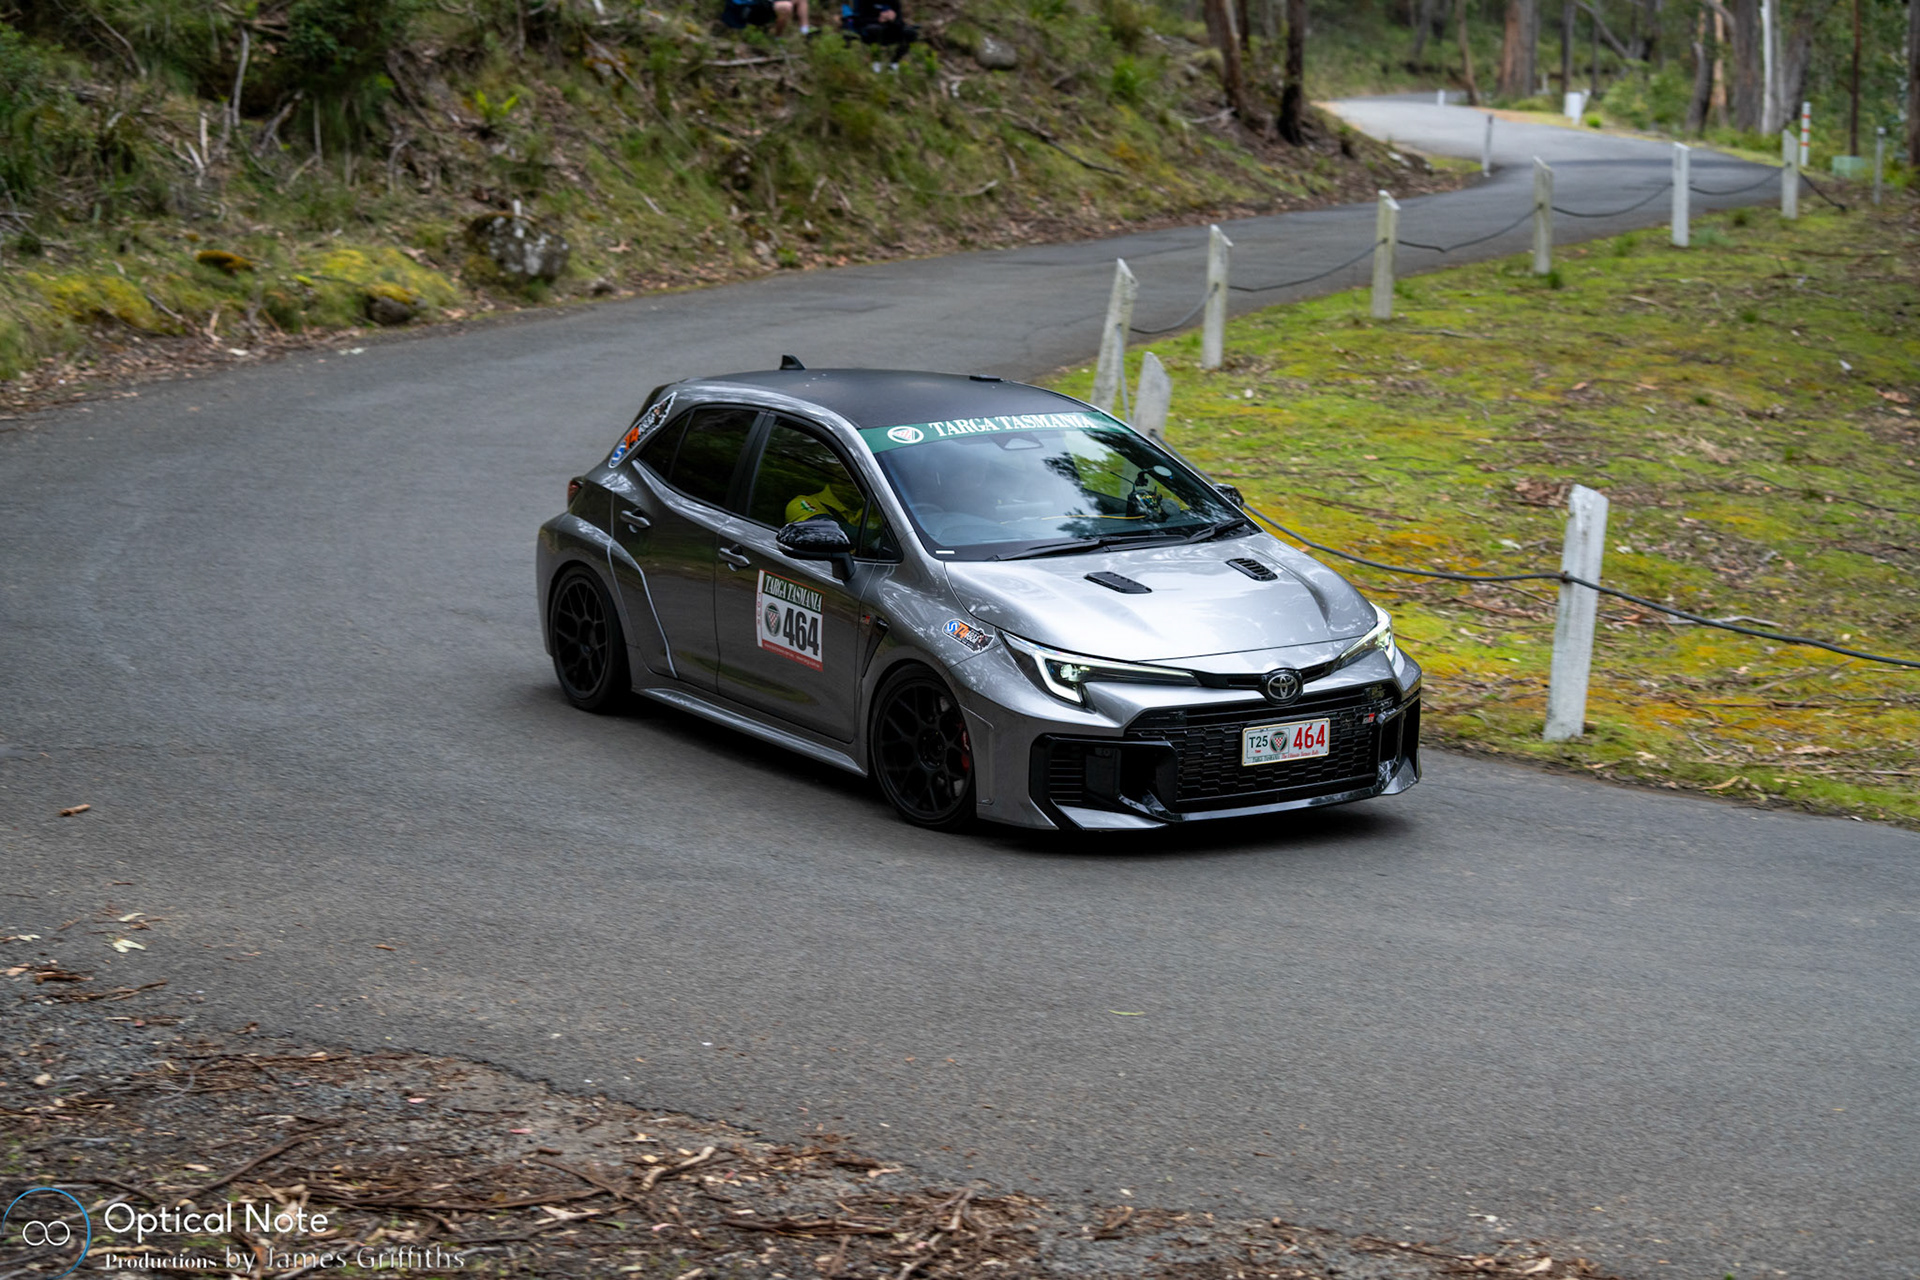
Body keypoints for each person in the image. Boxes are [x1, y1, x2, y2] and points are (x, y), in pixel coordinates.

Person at [839, 0, 917, 65]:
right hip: (869, 30)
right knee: (873, 30)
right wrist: (879, 19)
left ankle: (894, 62)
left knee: (910, 33)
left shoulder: (894, 1)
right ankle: (875, 59)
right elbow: (859, 21)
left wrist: (893, 19)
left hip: (890, 30)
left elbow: (900, 23)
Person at [721, 0, 810, 37]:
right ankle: (777, 37)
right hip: (749, 11)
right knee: (786, 7)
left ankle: (805, 32)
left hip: (762, 7)